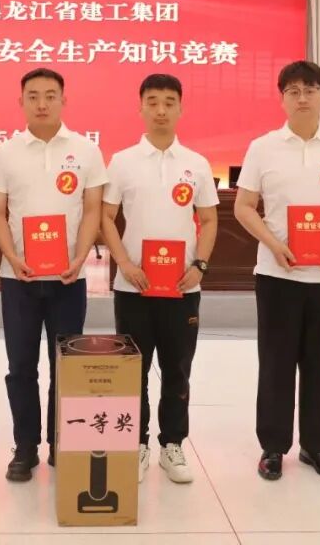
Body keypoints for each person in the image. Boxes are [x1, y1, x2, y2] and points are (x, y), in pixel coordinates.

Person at [233, 60, 320, 482]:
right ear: (282, 99)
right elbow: (243, 206)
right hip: (277, 275)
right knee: (275, 363)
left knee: (318, 363)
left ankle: (315, 446)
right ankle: (273, 447)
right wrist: (274, 244)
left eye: (310, 89)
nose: (302, 97)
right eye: (293, 91)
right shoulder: (263, 147)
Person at [0, 67, 107, 482]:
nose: (42, 103)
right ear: (20, 102)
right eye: (33, 96)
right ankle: (24, 448)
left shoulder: (87, 150)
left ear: (63, 100)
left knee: (65, 366)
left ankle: (61, 443)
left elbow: (92, 210)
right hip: (18, 279)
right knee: (20, 366)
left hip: (69, 279)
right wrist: (11, 257)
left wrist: (81, 256)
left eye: (50, 96)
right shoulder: (5, 153)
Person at [101, 73, 219, 484]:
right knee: (133, 369)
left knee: (177, 370)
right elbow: (106, 217)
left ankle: (172, 444)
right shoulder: (122, 161)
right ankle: (136, 444)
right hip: (133, 286)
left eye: (169, 102)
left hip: (182, 287)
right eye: (153, 102)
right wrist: (124, 264)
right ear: (141, 108)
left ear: (181, 108)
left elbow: (209, 220)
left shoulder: (196, 164)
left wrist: (199, 266)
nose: (161, 110)